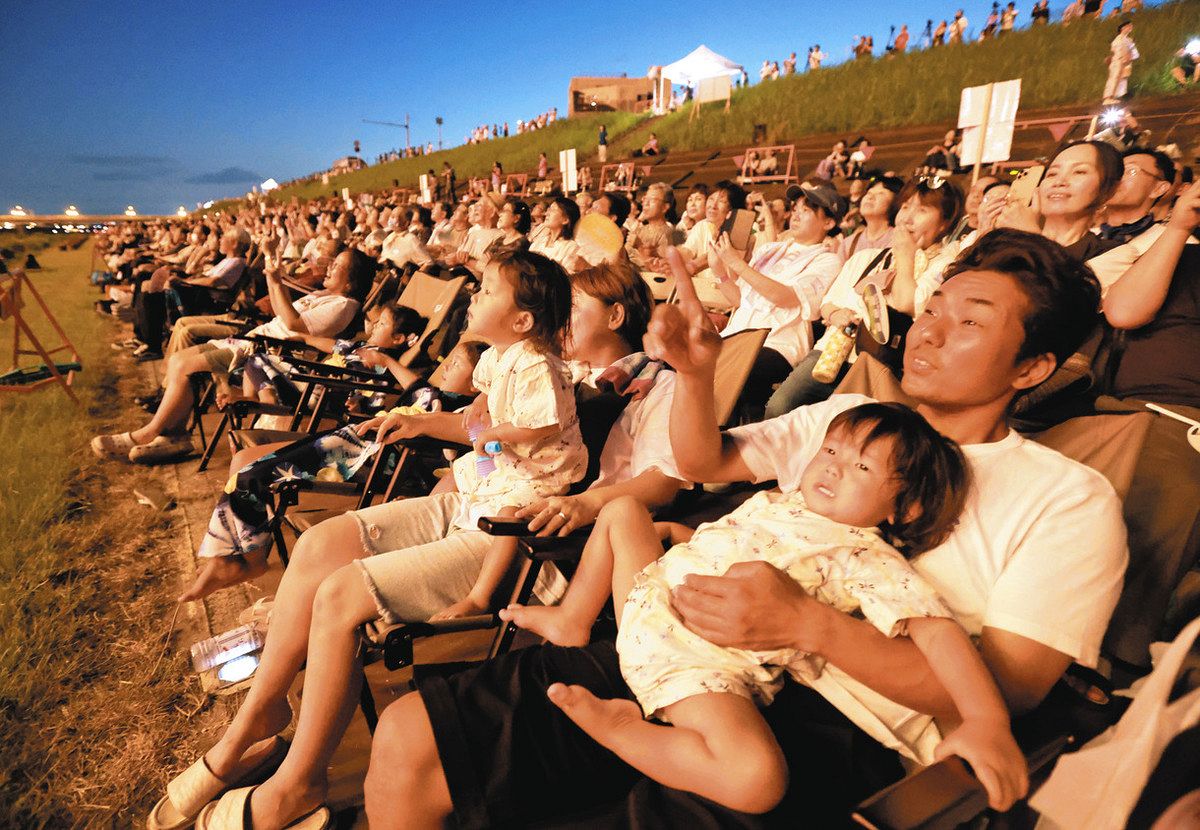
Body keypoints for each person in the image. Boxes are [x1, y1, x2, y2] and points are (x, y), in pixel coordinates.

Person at [366, 229, 1127, 829]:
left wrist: (807, 624)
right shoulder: (849, 422)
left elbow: (1004, 696)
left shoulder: (1069, 499)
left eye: (968, 323)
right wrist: (696, 378)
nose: (927, 333)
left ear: (1032, 367)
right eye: (931, 310)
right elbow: (708, 457)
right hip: (690, 644)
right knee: (410, 741)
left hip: (837, 728)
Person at [148, 258, 688, 830]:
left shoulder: (651, 384)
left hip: (535, 536)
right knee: (318, 549)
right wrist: (431, 428)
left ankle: (298, 783)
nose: (564, 319)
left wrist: (580, 503)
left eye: (573, 307)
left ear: (616, 317)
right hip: (474, 498)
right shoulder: (525, 366)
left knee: (339, 596)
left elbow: (666, 481)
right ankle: (258, 715)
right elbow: (485, 431)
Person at [500, 402, 1028, 815]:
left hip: (696, 663)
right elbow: (736, 539)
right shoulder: (782, 502)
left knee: (755, 781)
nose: (835, 469)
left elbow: (938, 634)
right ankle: (572, 617)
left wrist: (986, 719)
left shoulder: (865, 555)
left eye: (863, 466)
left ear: (904, 507)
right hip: (650, 599)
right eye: (832, 452)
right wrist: (687, 538)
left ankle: (621, 730)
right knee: (623, 508)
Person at [179, 337, 484, 601]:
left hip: (365, 457)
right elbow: (415, 383)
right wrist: (387, 359)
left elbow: (459, 446)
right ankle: (236, 555)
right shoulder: (431, 394)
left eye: (455, 365)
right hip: (348, 440)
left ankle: (241, 560)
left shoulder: (459, 409)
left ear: (477, 383)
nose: (445, 367)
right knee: (244, 462)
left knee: (251, 477)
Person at [91, 246, 371, 464]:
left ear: (350, 282)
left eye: (338, 265)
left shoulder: (343, 304)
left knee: (186, 364)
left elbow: (295, 325)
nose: (330, 265)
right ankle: (174, 435)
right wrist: (273, 278)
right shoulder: (324, 295)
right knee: (179, 360)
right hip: (253, 339)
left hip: (268, 353)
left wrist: (276, 281)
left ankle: (150, 434)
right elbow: (280, 312)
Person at [766, 177, 964, 414]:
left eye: (921, 210)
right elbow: (828, 304)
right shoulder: (866, 257)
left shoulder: (945, 265)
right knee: (780, 407)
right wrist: (838, 314)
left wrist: (905, 256)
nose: (908, 217)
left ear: (944, 223)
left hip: (884, 364)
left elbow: (906, 304)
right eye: (905, 207)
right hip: (832, 352)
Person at [703, 183, 845, 413]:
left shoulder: (827, 260)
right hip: (736, 337)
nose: (796, 213)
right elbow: (739, 299)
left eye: (807, 210)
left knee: (728, 376)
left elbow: (786, 297)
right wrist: (719, 271)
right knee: (680, 360)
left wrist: (735, 262)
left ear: (828, 223)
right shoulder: (770, 250)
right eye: (796, 207)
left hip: (776, 344)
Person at [839, 176, 902, 262]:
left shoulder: (900, 240)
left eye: (880, 193)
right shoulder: (848, 244)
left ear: (896, 202)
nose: (870, 197)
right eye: (869, 193)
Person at [1103, 19, 1139, 104]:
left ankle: (1117, 98)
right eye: (1129, 26)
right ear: (1123, 28)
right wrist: (1123, 57)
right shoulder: (1118, 39)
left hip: (1125, 63)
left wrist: (1130, 57)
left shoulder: (1129, 40)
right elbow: (1115, 50)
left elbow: (1136, 54)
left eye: (1131, 26)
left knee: (1122, 80)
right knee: (1114, 78)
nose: (1131, 27)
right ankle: (1108, 98)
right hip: (1117, 61)